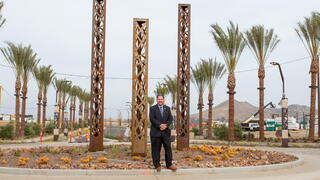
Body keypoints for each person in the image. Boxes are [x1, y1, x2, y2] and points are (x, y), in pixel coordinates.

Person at [149, 95, 177, 172]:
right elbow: (152, 118)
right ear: (156, 100)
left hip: (165, 133)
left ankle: (169, 164)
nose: (160, 100)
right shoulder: (152, 108)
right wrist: (159, 125)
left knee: (168, 148)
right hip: (156, 133)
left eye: (161, 99)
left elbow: (170, 119)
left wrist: (166, 125)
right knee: (155, 149)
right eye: (159, 99)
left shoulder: (167, 108)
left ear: (163, 100)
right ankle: (157, 165)